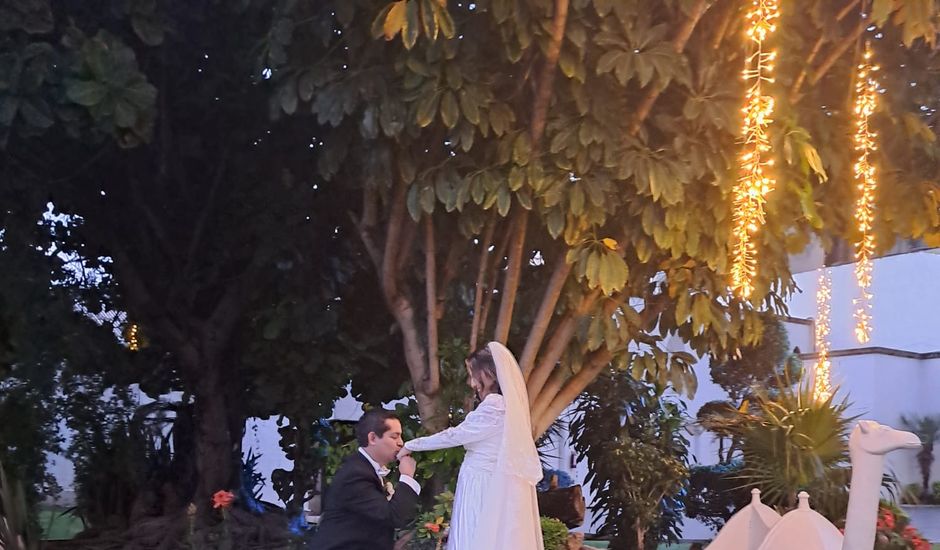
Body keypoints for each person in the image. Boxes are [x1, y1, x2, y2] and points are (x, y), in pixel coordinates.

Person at [398, 342, 544, 550]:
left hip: (481, 483)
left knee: (474, 534)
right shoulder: (503, 406)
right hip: (485, 479)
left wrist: (412, 444)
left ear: (487, 374)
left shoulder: (494, 406)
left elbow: (454, 436)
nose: (471, 382)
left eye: (472, 374)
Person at [313, 409, 421, 550]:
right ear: (373, 438)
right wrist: (407, 476)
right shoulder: (356, 474)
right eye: (394, 437)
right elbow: (394, 516)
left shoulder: (364, 468)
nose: (401, 443)